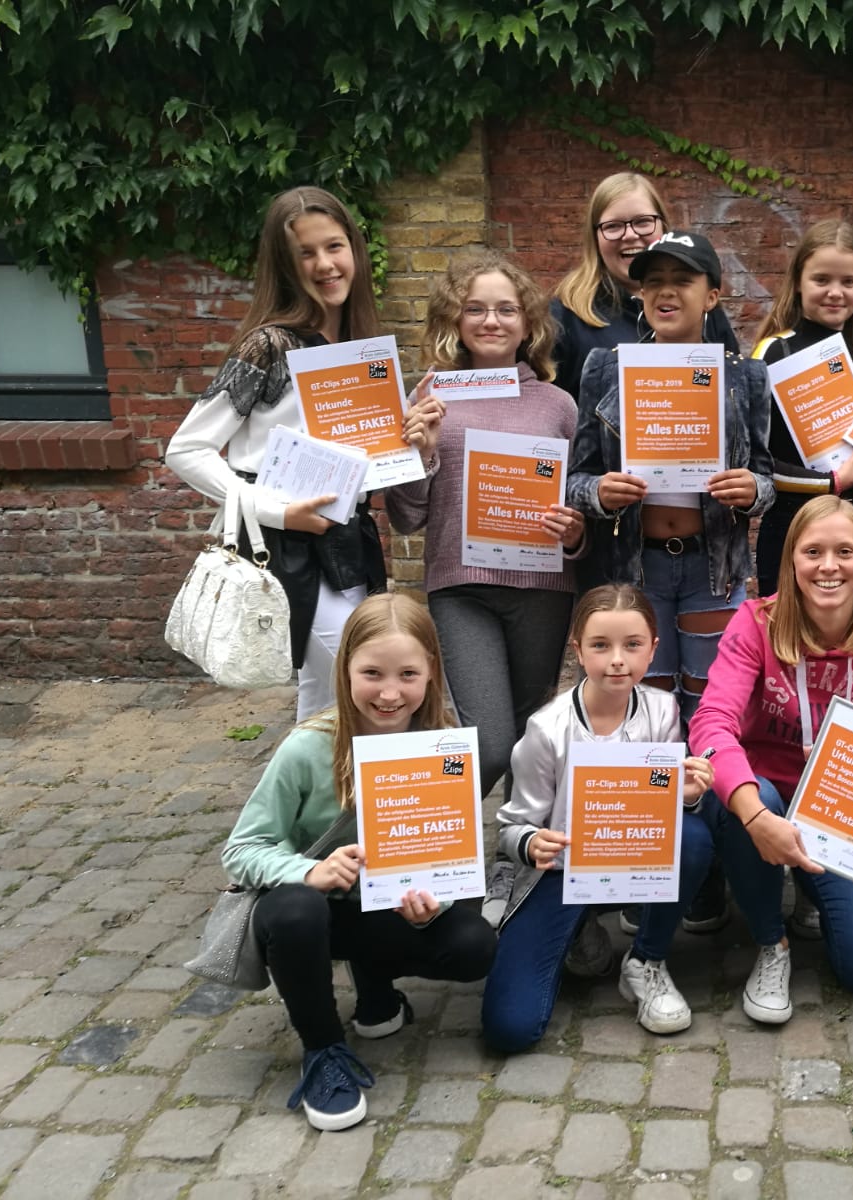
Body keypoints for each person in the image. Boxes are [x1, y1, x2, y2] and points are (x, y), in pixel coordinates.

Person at [220, 592, 496, 1130]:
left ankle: (375, 988)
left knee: (473, 945)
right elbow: (242, 849)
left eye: (407, 675)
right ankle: (323, 1050)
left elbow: (450, 855)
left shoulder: (443, 747)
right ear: (345, 667)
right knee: (296, 911)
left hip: (384, 908)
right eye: (372, 673)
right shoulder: (307, 748)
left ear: (431, 671)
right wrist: (309, 871)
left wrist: (434, 906)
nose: (390, 693)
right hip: (314, 913)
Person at [567, 228, 773, 935]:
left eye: (682, 280)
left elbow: (768, 476)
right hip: (638, 572)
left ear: (712, 294)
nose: (664, 292)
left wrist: (753, 490)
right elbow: (576, 478)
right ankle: (644, 860)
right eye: (652, 281)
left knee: (711, 715)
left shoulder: (745, 376)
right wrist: (601, 494)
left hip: (715, 570)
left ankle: (707, 869)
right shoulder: (607, 369)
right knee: (643, 718)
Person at [388, 250, 585, 926]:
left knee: (529, 740)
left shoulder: (558, 405)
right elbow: (406, 516)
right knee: (490, 741)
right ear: (455, 318)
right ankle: (409, 843)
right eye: (476, 308)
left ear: (528, 320)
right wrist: (420, 450)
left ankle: (511, 861)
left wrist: (574, 532)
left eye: (506, 308)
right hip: (460, 587)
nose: (492, 320)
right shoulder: (430, 397)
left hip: (543, 588)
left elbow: (579, 510)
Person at [688, 495, 853, 1023]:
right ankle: (771, 942)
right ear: (791, 560)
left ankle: (814, 890)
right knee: (754, 794)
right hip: (760, 800)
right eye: (813, 552)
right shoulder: (755, 624)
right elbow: (711, 723)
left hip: (838, 811)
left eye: (845, 552)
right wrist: (756, 816)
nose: (828, 566)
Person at [168, 187, 395, 718]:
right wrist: (276, 511)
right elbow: (187, 448)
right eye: (306, 253)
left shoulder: (358, 344)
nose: (325, 264)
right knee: (360, 687)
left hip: (348, 540)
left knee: (326, 701)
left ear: (355, 249)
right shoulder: (269, 345)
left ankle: (306, 777)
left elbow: (369, 463)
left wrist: (415, 442)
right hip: (286, 548)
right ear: (285, 264)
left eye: (334, 246)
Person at [480, 585, 716, 1048]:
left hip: (635, 861)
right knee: (510, 1027)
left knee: (693, 837)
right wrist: (530, 842)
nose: (617, 661)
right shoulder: (546, 729)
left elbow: (664, 801)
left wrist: (687, 794)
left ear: (653, 648)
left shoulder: (662, 710)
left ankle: (645, 960)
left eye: (632, 645)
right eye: (601, 645)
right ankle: (578, 929)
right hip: (565, 872)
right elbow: (511, 827)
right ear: (578, 650)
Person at [750, 218, 853, 596]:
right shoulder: (773, 352)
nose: (835, 292)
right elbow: (756, 462)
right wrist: (832, 482)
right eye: (821, 279)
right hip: (791, 528)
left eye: (848, 282)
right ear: (798, 281)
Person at [550, 172, 740, 405]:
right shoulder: (564, 317)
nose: (630, 235)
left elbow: (732, 394)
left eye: (642, 222)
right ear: (595, 237)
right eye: (613, 226)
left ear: (663, 226)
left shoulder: (704, 311)